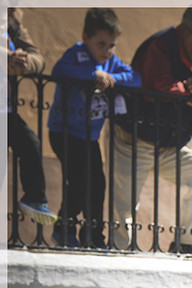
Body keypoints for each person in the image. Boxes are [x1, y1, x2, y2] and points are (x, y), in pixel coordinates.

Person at [112, 4, 192, 254]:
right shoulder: (161, 45)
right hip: (135, 139)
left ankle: (186, 244)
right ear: (183, 28)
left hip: (170, 146)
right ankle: (121, 252)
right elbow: (161, 85)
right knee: (125, 203)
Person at [47, 7, 140, 249]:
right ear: (86, 37)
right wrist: (92, 75)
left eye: (112, 45)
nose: (107, 51)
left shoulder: (111, 62)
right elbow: (59, 71)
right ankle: (63, 230)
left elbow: (135, 78)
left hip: (89, 137)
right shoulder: (75, 54)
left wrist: (113, 78)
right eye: (101, 44)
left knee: (97, 185)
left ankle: (93, 237)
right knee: (79, 181)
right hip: (64, 132)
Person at [6, 7, 58, 227]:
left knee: (30, 143)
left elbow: (38, 58)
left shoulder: (13, 24)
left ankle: (34, 199)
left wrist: (24, 62)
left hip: (5, 110)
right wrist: (7, 57)